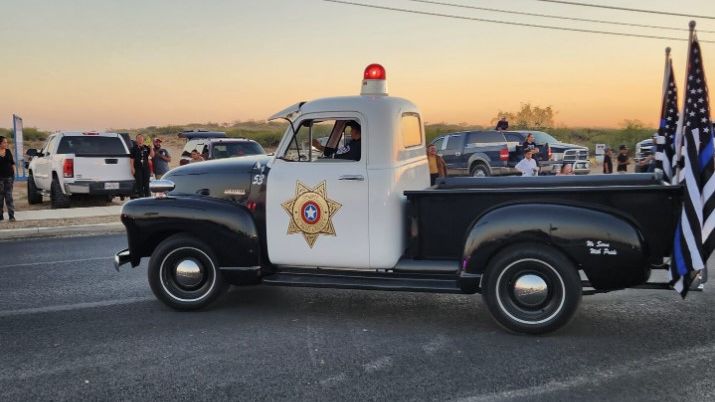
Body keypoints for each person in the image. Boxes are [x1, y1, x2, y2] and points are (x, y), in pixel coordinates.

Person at [0, 136, 16, 222]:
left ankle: (11, 216)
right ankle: (0, 216)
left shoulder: (8, 151)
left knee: (9, 197)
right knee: (0, 197)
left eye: (6, 142)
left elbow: (12, 163)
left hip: (9, 177)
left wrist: (13, 174)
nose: (6, 144)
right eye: (4, 142)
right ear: (0, 143)